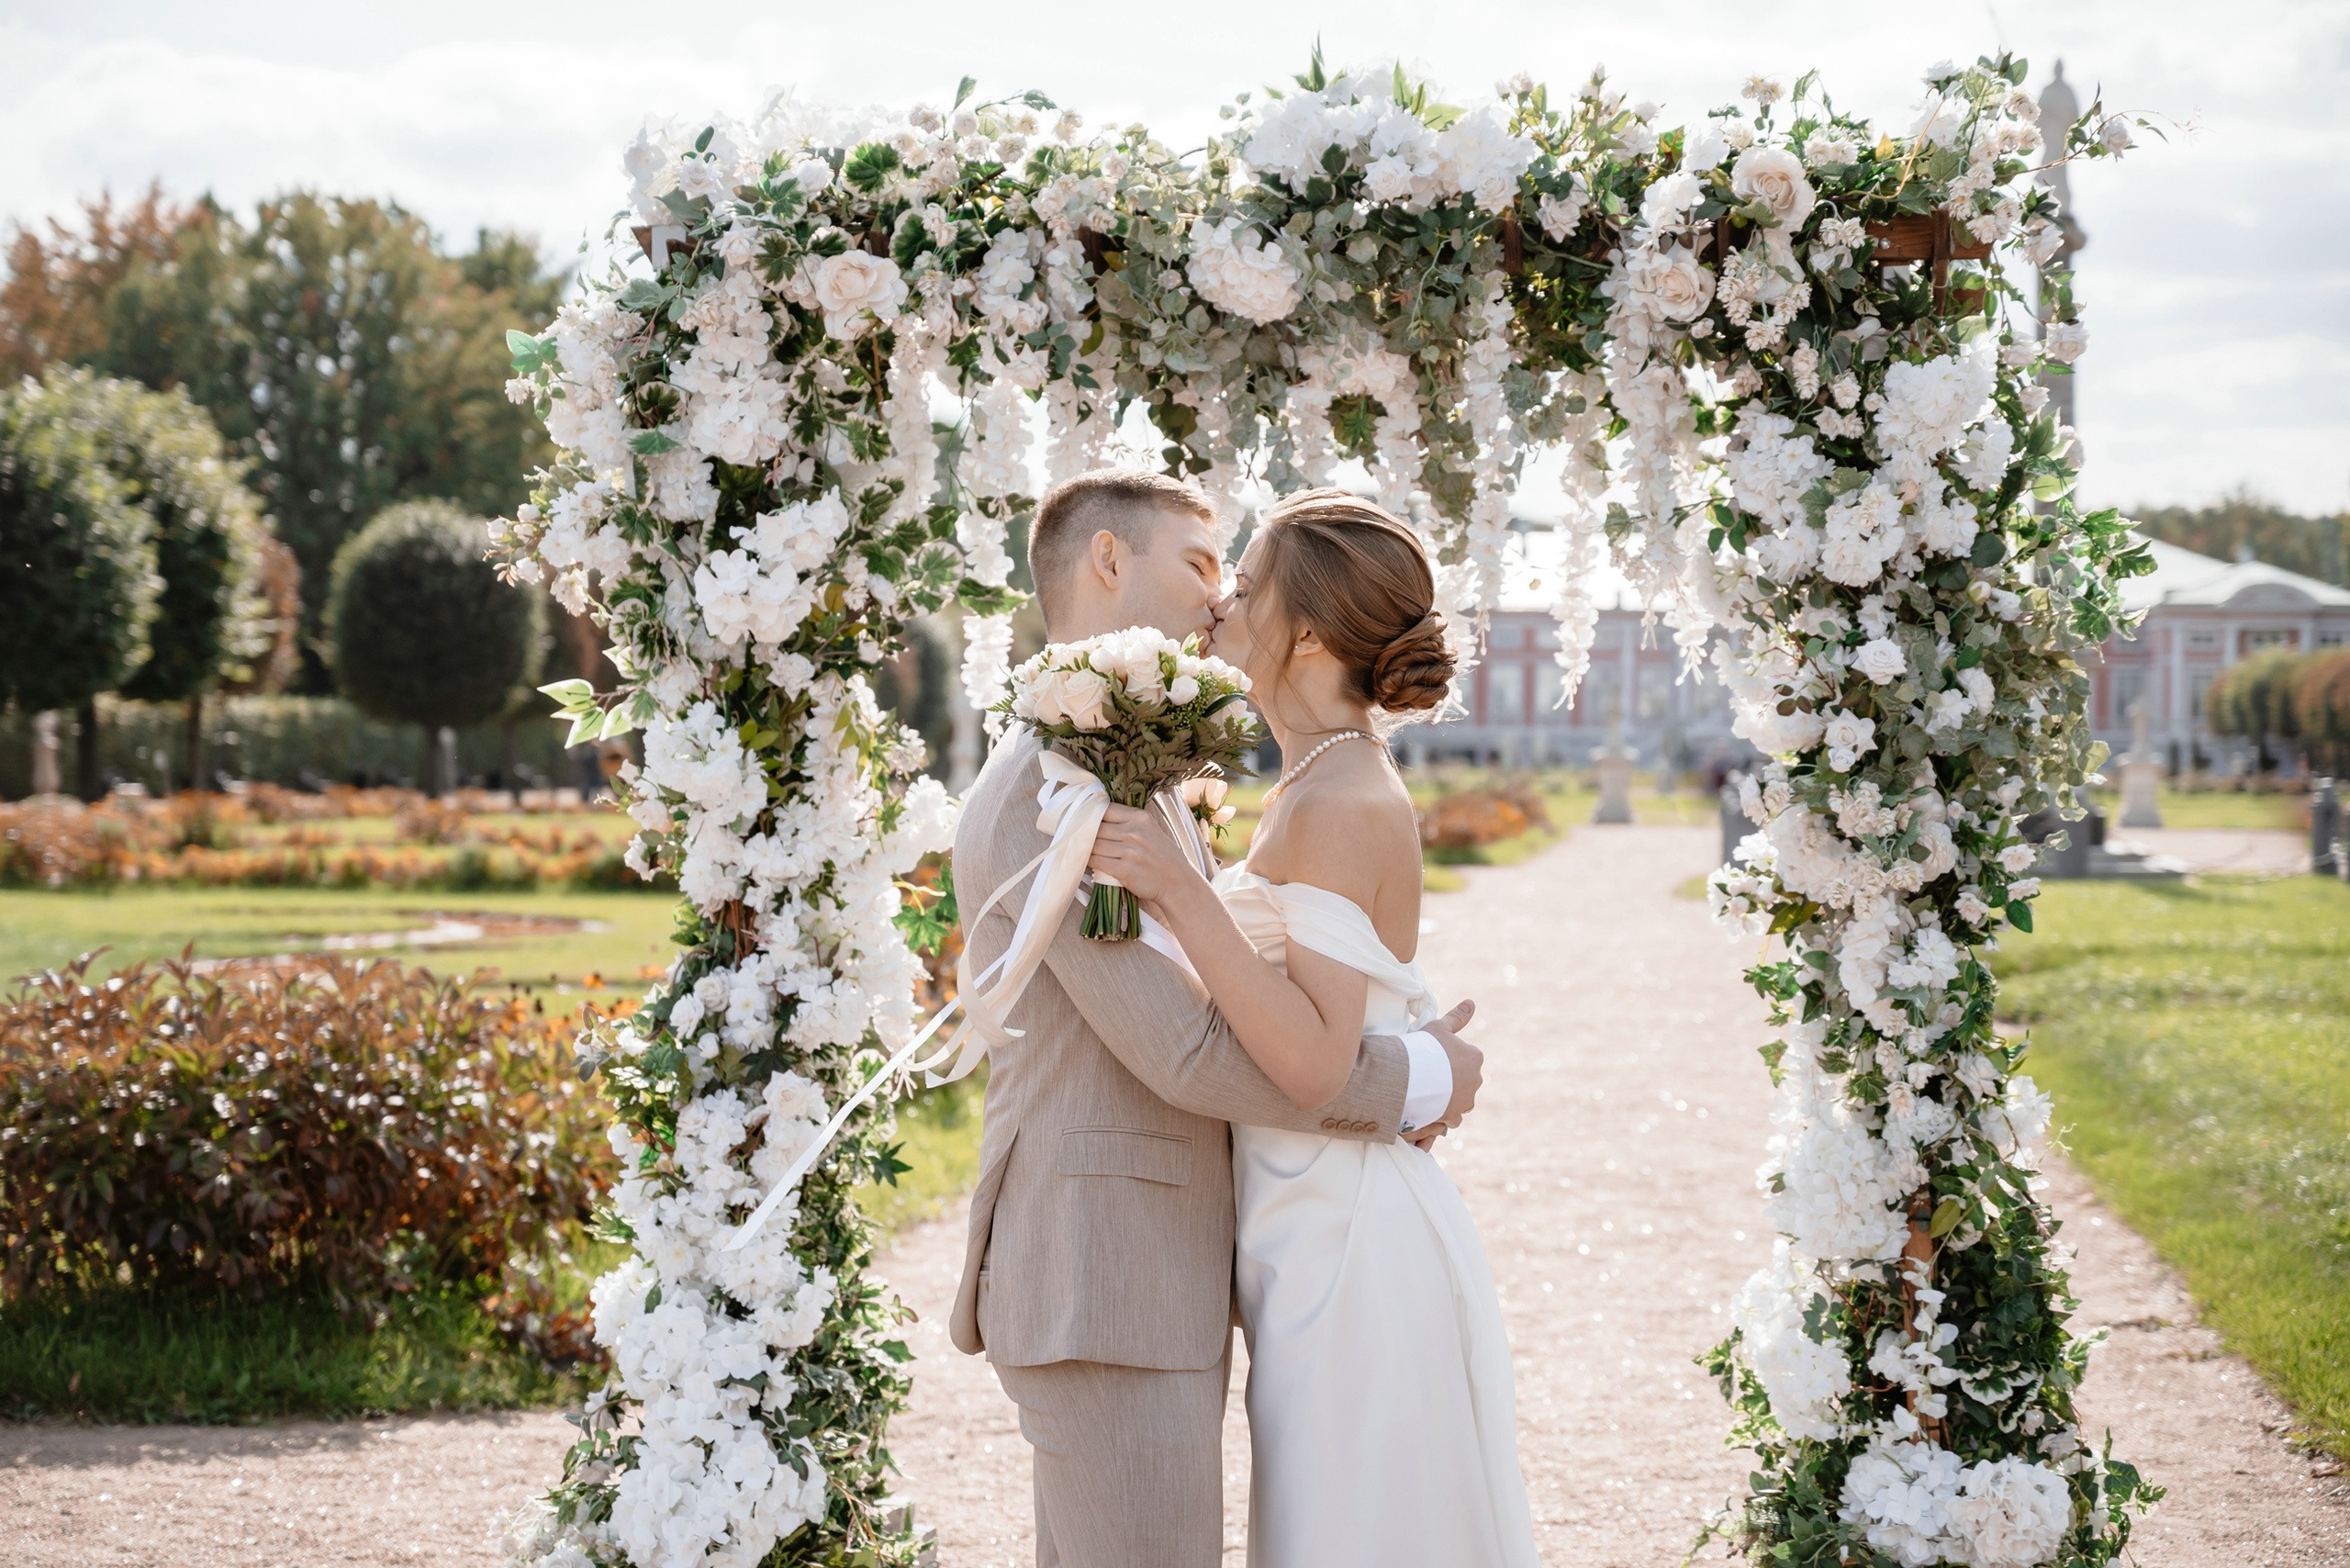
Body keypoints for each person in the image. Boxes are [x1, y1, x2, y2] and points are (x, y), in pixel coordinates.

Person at [948, 469, 1486, 1568]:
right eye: (1201, 566)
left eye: (1235, 578)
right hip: (1105, 1270)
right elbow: (1187, 1048)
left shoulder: (1124, 766)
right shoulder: (1057, 785)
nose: (1216, 600)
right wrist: (1409, 1085)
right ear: (1108, 562)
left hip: (1164, 1268)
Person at [1088, 487, 1541, 1567]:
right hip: (1305, 1226)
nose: (1220, 599)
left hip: (1351, 1247)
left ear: (1302, 627)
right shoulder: (1318, 780)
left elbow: (1311, 1060)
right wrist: (1423, 1057)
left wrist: (1179, 894)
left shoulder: (1339, 797)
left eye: (1244, 580)